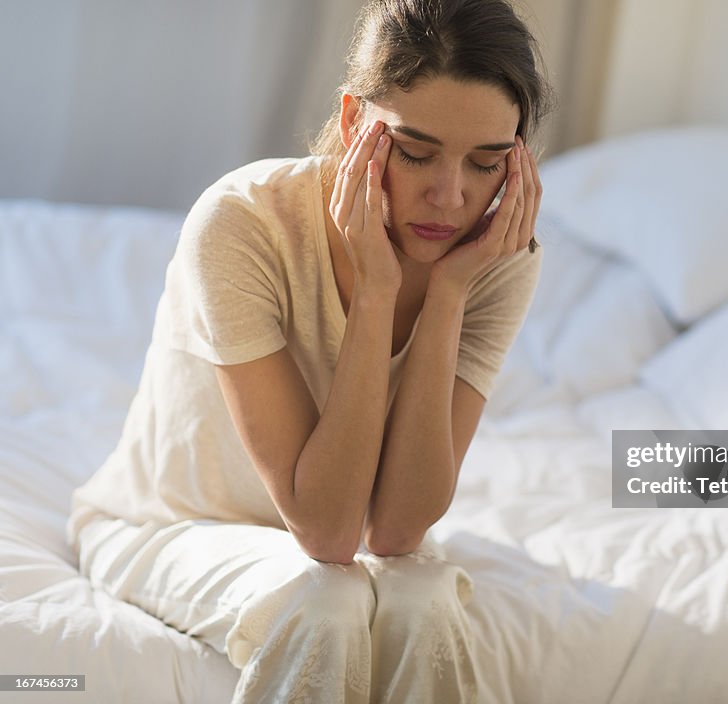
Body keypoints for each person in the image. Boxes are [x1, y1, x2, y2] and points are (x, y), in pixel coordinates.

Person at [65, 0, 553, 701]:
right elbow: (329, 537)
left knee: (423, 603)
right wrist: (377, 293)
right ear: (355, 123)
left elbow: (395, 530)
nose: (450, 197)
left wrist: (447, 298)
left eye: (485, 163)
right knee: (326, 598)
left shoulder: (497, 258)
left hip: (339, 540)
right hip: (170, 525)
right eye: (415, 153)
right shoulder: (241, 224)